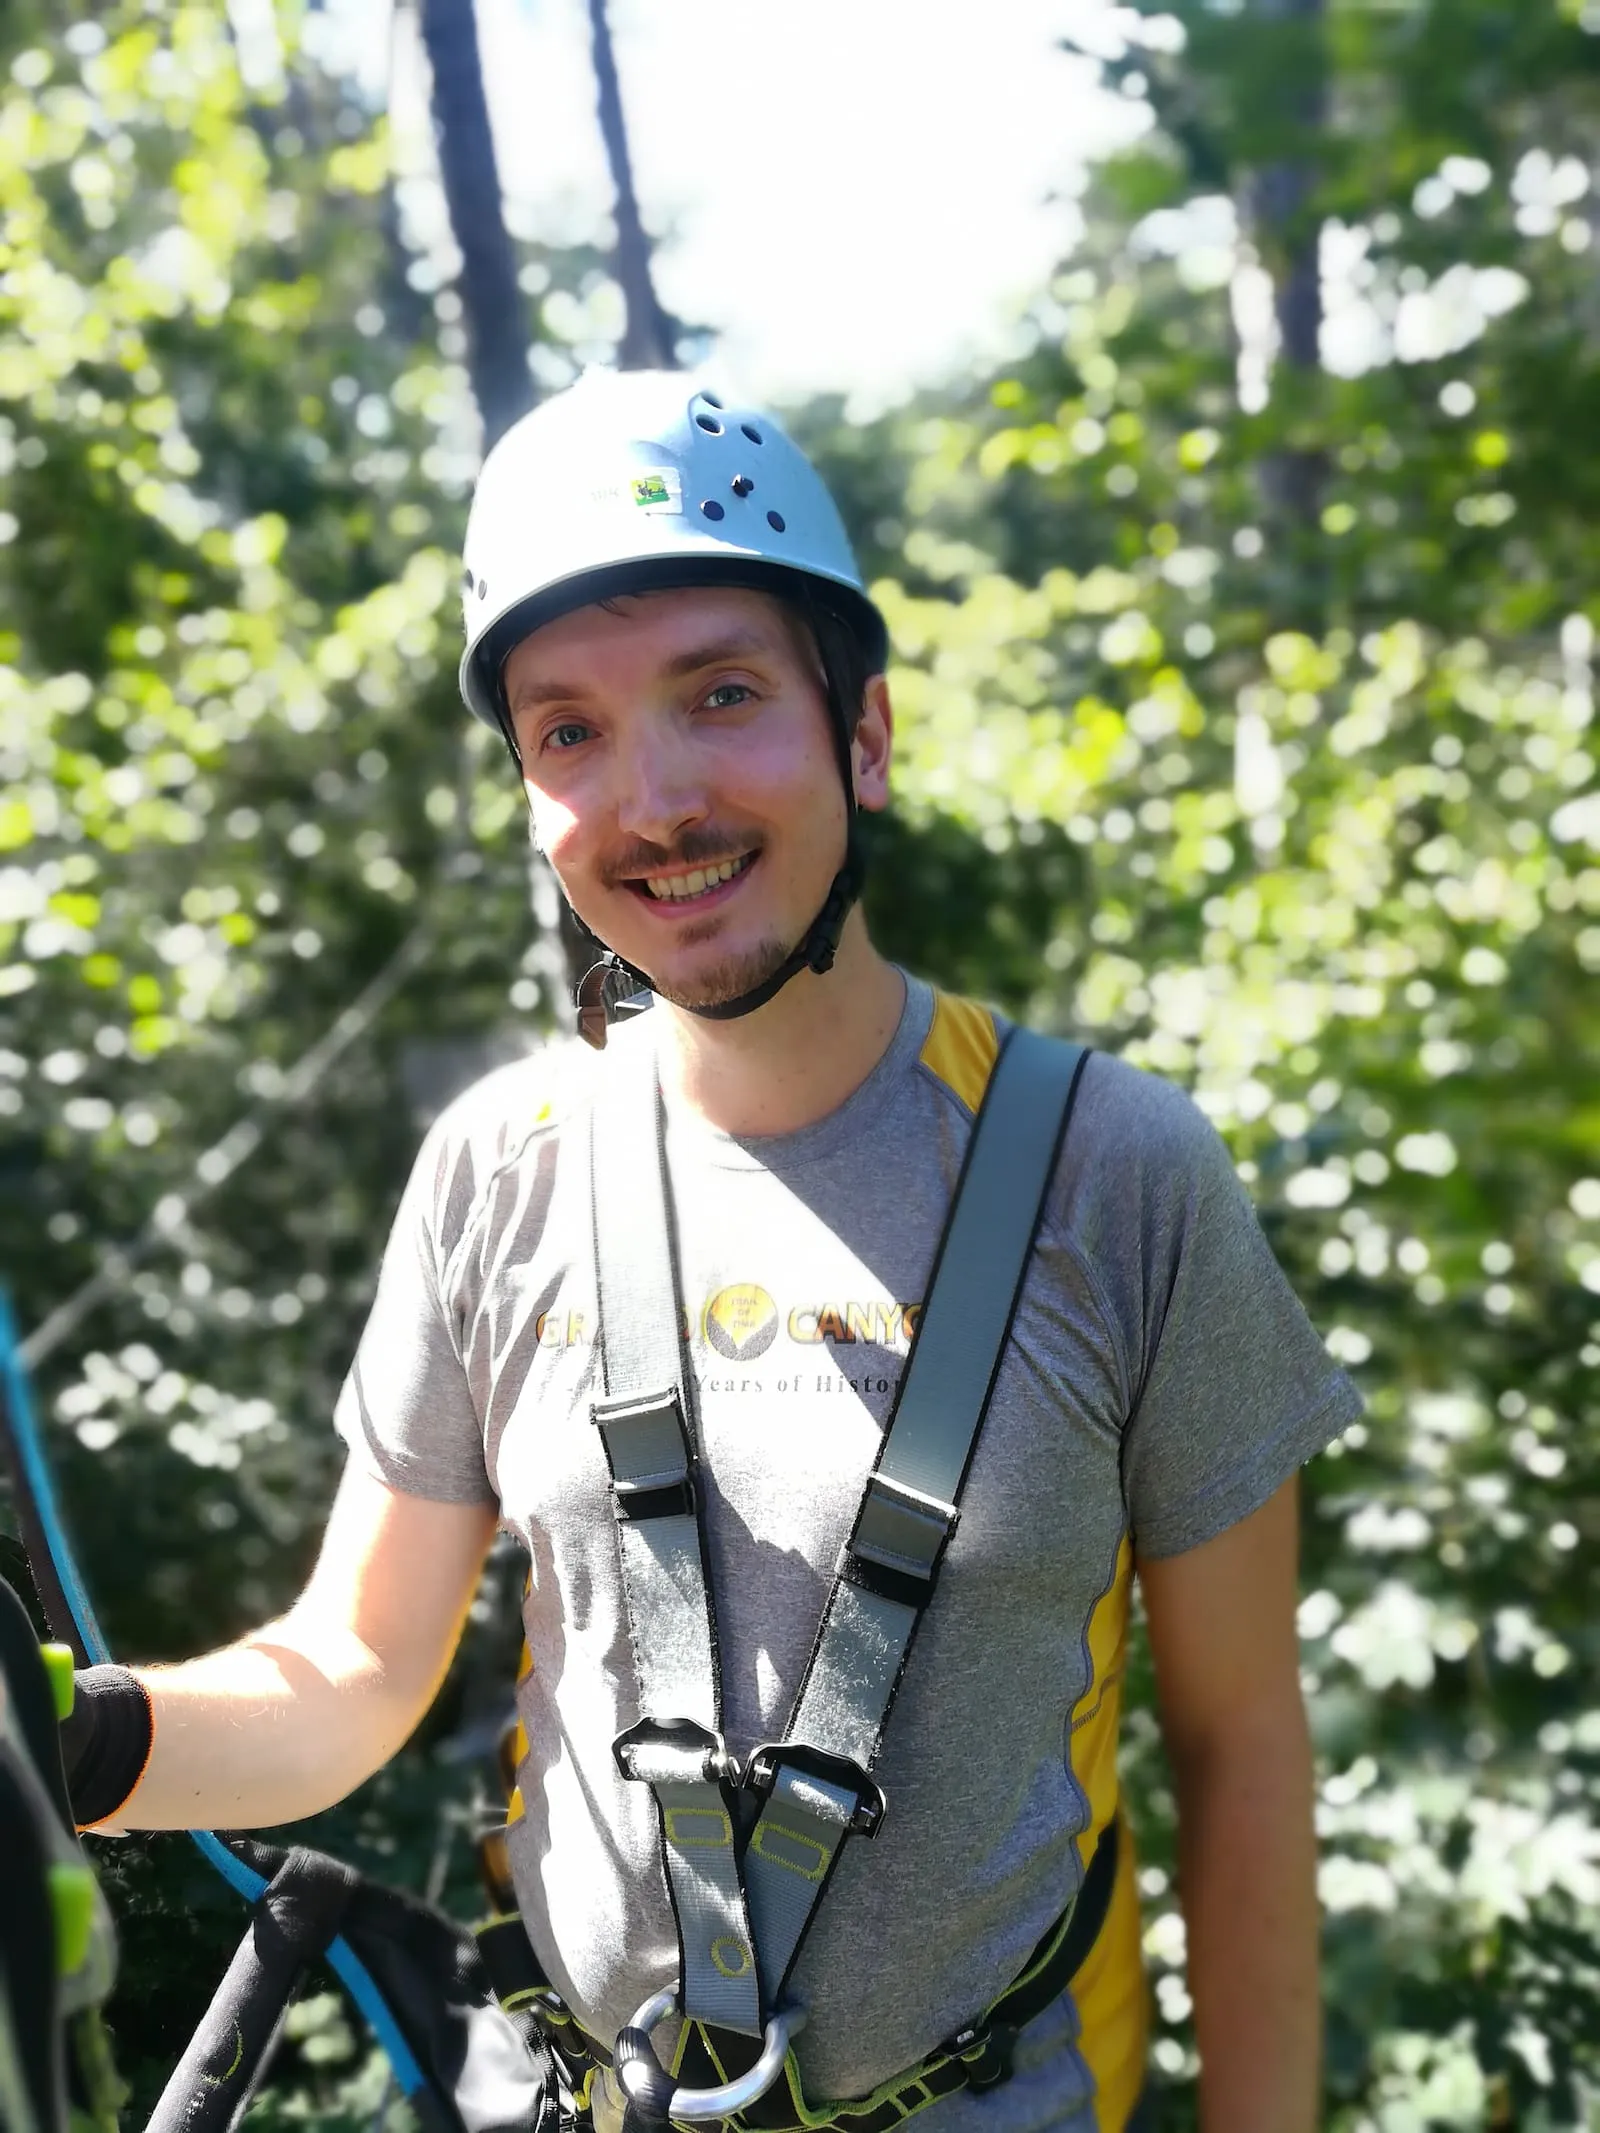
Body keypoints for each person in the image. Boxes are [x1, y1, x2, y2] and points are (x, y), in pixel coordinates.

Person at [63, 369, 1365, 2133]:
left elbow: (1240, 1743)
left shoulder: (1111, 1174)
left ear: (869, 732)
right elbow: (358, 1675)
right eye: (568, 731)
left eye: (722, 695)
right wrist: (77, 1733)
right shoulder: (498, 1172)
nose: (654, 798)